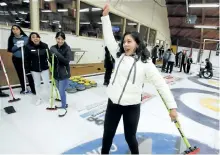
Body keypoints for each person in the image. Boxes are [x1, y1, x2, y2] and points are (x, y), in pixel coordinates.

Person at [101, 4, 178, 154]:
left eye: (129, 41)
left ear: (137, 44)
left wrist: (172, 107)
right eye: (124, 42)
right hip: (113, 103)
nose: (125, 45)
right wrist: (105, 17)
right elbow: (109, 37)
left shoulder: (145, 63)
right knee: (107, 135)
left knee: (130, 137)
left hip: (132, 106)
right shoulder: (118, 56)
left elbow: (160, 84)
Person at [7, 25, 35, 94]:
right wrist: (17, 46)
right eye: (13, 29)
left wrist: (25, 44)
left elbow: (31, 47)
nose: (15, 30)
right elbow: (10, 49)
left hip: (25, 59)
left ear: (20, 30)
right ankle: (24, 88)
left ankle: (33, 89)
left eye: (17, 29)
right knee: (20, 74)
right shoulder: (11, 38)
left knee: (29, 74)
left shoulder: (26, 38)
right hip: (16, 59)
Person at [24, 32, 50, 105]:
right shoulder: (28, 47)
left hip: (44, 68)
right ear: (31, 39)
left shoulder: (45, 46)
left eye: (37, 37)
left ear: (39, 38)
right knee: (37, 84)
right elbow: (26, 60)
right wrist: (27, 70)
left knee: (47, 84)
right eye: (33, 37)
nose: (35, 38)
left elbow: (49, 56)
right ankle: (39, 98)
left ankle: (49, 98)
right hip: (34, 70)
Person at [49, 32, 71, 117]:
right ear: (56, 39)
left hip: (64, 73)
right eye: (58, 38)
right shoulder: (53, 47)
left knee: (61, 91)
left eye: (62, 39)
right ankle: (64, 102)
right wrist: (51, 57)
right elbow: (51, 60)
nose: (60, 41)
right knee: (59, 89)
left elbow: (66, 61)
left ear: (64, 39)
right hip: (55, 73)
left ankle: (63, 106)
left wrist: (57, 54)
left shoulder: (67, 48)